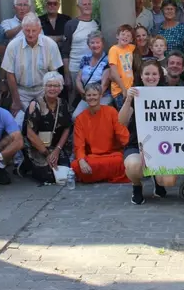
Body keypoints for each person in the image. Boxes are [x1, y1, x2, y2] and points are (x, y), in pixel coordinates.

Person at [120, 60, 174, 204]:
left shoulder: (169, 94)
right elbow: (122, 121)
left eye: (154, 74)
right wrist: (128, 99)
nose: (151, 77)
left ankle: (158, 180)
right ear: (141, 77)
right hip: (137, 145)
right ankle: (136, 185)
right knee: (133, 166)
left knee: (169, 180)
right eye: (147, 74)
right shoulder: (135, 95)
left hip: (163, 146)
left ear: (160, 76)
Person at [1, 13, 63, 114]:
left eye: (34, 30)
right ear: (22, 29)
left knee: (44, 122)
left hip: (43, 90)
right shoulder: (13, 45)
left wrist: (51, 97)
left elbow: (53, 74)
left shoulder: (50, 45)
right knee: (19, 124)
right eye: (27, 30)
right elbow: (10, 74)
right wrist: (16, 101)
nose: (30, 34)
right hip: (21, 92)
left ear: (39, 29)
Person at [71, 83, 130, 184]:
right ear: (85, 97)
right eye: (89, 95)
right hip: (93, 157)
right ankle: (107, 175)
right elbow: (79, 144)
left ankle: (97, 176)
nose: (91, 98)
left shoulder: (111, 112)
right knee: (76, 165)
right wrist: (81, 160)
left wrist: (132, 150)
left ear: (100, 96)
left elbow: (122, 133)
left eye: (94, 95)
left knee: (123, 162)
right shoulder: (80, 118)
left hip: (112, 155)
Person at [22, 72, 73, 183]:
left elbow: (67, 128)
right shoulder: (35, 105)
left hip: (55, 146)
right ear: (44, 87)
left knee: (65, 171)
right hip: (38, 146)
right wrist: (47, 154)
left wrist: (57, 150)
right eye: (49, 85)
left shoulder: (63, 103)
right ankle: (26, 164)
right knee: (48, 175)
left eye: (56, 86)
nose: (52, 89)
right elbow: (30, 134)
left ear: (60, 88)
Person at [61, 0, 98, 97]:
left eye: (89, 4)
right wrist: (67, 75)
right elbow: (65, 51)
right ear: (78, 7)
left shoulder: (97, 24)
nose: (87, 6)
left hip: (92, 70)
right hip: (74, 69)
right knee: (73, 102)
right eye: (84, 4)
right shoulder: (71, 25)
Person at [73, 31, 111, 119]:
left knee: (96, 117)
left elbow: (105, 83)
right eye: (92, 42)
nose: (95, 45)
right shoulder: (85, 58)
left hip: (102, 95)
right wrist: (83, 92)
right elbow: (78, 79)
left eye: (98, 42)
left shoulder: (108, 59)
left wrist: (94, 96)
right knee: (76, 117)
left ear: (103, 44)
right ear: (88, 45)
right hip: (86, 95)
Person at [108, 24, 136, 108]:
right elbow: (114, 72)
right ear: (117, 36)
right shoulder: (114, 50)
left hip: (130, 89)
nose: (125, 37)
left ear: (131, 39)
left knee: (131, 114)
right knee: (123, 116)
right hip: (119, 90)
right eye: (123, 34)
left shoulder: (131, 47)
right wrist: (123, 89)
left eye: (128, 36)